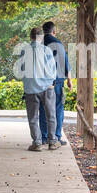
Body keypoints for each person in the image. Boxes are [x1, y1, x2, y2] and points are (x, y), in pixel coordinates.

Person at [17, 27, 58, 151]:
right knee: (50, 116)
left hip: (30, 89)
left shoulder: (24, 51)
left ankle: (37, 143)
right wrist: (51, 83)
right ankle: (52, 142)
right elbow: (52, 71)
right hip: (46, 88)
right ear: (41, 37)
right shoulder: (46, 50)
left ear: (31, 37)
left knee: (33, 117)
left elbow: (20, 71)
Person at [39, 19, 72, 147]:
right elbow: (65, 63)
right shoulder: (58, 43)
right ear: (54, 31)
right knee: (58, 109)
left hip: (41, 82)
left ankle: (44, 136)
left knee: (43, 108)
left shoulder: (40, 43)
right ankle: (57, 137)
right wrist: (69, 80)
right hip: (57, 81)